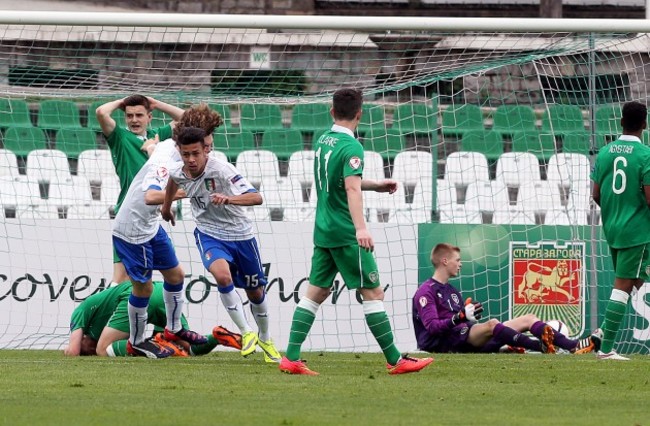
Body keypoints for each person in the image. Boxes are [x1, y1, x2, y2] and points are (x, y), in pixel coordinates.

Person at [279, 88, 433, 375]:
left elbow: (341, 180)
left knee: (316, 292)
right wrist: (361, 228)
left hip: (323, 229)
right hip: (345, 232)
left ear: (331, 111)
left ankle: (291, 356)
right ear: (360, 114)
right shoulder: (352, 147)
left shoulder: (324, 140)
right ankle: (395, 360)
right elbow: (349, 187)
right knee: (373, 292)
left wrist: (373, 184)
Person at [161, 127, 281, 363]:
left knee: (255, 291)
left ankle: (265, 338)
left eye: (195, 153)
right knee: (222, 276)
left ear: (205, 150)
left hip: (241, 235)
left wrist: (230, 198)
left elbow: (256, 197)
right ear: (180, 152)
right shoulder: (178, 170)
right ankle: (247, 332)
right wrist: (166, 208)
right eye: (186, 154)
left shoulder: (223, 169)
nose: (191, 159)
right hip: (208, 233)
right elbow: (172, 182)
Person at [112, 130, 207, 359]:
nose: (207, 151)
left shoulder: (167, 146)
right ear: (183, 150)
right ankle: (136, 342)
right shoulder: (165, 165)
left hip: (151, 225)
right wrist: (188, 192)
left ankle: (174, 329)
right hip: (133, 231)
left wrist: (150, 146)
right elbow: (151, 196)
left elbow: (157, 146)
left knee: (176, 275)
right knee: (143, 288)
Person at [413, 243, 602, 355]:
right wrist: (461, 317)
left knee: (528, 318)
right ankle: (556, 346)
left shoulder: (452, 291)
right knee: (493, 324)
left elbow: (460, 321)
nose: (460, 264)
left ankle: (572, 345)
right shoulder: (425, 292)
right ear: (445, 261)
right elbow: (432, 327)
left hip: (464, 338)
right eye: (458, 260)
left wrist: (469, 315)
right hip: (445, 345)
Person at [96, 95, 185, 286]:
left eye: (139, 115)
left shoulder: (158, 135)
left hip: (150, 217)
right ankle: (104, 313)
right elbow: (101, 112)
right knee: (121, 279)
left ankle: (154, 315)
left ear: (149, 117)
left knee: (166, 276)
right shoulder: (120, 137)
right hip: (129, 215)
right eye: (129, 116)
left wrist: (157, 103)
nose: (134, 120)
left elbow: (186, 118)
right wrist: (122, 102)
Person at [591, 100, 650, 361]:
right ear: (645, 125)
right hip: (637, 231)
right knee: (624, 285)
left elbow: (595, 193)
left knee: (640, 281)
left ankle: (604, 330)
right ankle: (605, 350)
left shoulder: (604, 152)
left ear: (621, 122)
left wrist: (616, 211)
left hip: (613, 228)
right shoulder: (645, 155)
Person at [63, 281, 242, 357]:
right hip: (161, 291)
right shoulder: (105, 323)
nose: (89, 350)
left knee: (103, 350)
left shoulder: (79, 312)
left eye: (87, 349)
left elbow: (73, 351)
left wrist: (68, 350)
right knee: (189, 348)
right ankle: (217, 336)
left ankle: (160, 344)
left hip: (137, 297)